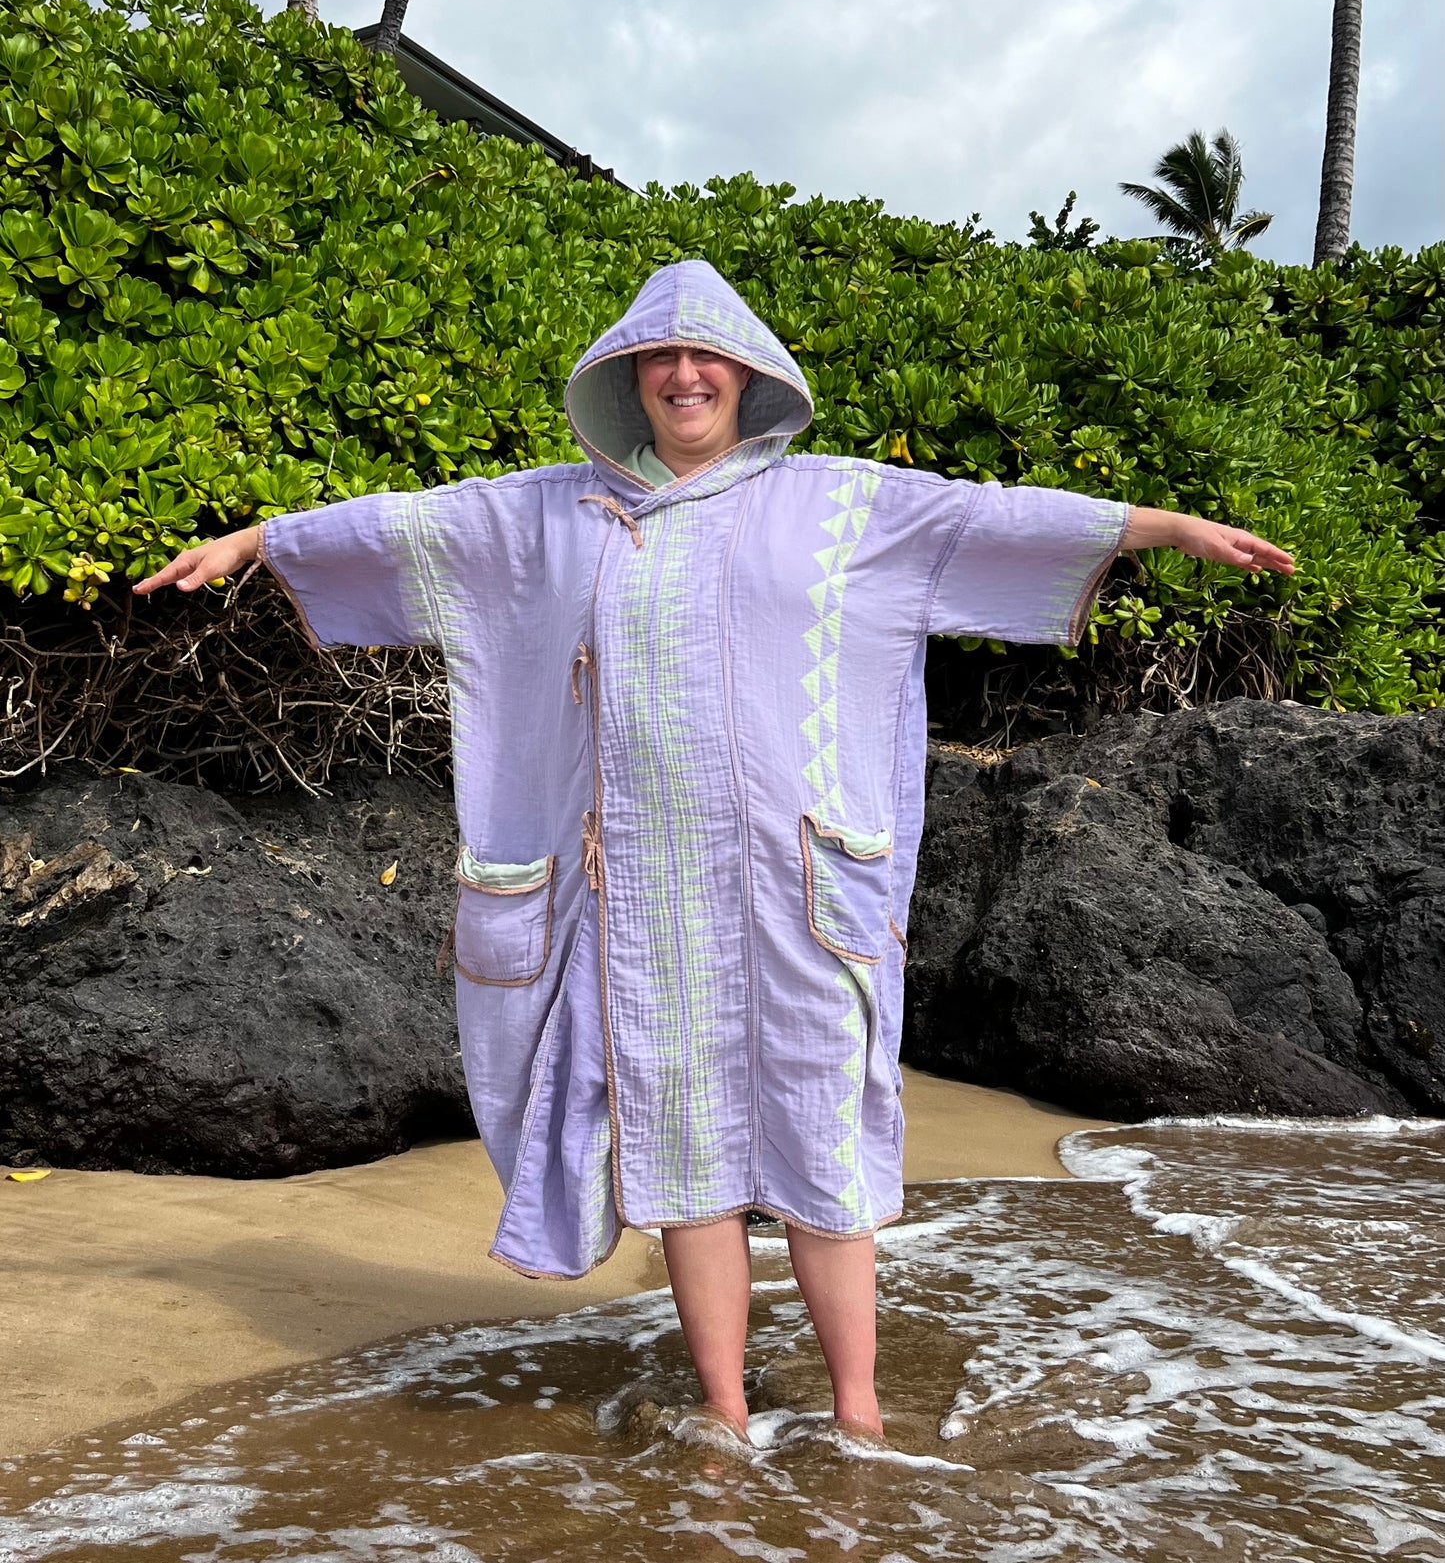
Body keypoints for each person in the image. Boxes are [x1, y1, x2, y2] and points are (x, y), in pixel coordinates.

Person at [135, 259, 1294, 1451]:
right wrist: (260, 541)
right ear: (629, 379)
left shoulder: (843, 506)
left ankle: (857, 1415)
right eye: (661, 357)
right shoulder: (549, 511)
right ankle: (727, 1415)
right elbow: (414, 525)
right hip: (643, 895)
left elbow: (985, 514)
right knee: (684, 1149)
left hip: (802, 888)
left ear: (747, 376)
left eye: (707, 358)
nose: (685, 375)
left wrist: (1160, 529)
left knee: (821, 1142)